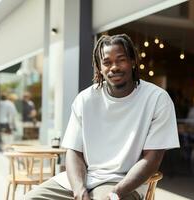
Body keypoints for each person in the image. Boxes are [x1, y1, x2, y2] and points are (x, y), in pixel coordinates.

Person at [25, 34, 179, 200]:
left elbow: (152, 159)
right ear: (99, 67)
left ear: (133, 61)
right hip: (82, 179)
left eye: (121, 60)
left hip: (123, 182)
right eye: (107, 62)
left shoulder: (157, 99)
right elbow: (74, 152)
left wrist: (116, 193)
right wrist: (79, 190)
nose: (114, 67)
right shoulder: (85, 99)